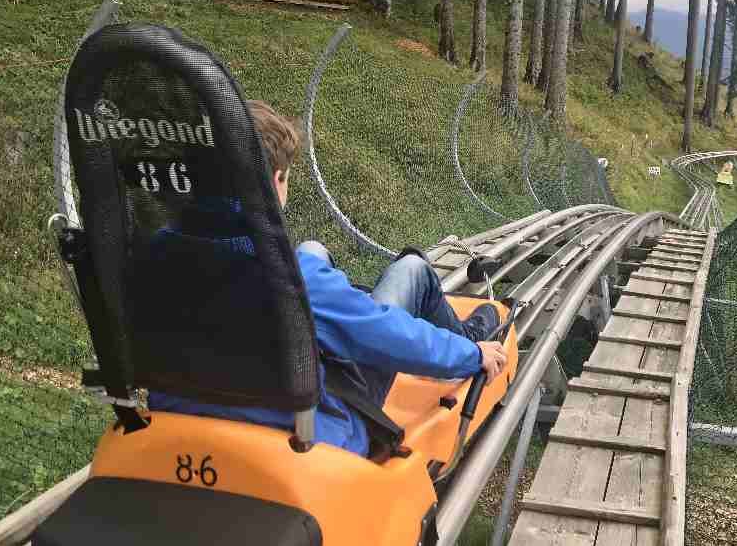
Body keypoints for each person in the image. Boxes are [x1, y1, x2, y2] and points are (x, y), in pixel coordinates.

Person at [149, 100, 508, 458]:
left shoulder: (154, 256)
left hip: (186, 425)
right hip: (307, 436)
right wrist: (468, 356)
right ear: (276, 182)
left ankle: (342, 313)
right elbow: (387, 336)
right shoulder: (292, 278)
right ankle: (471, 340)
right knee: (412, 270)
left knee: (312, 249)